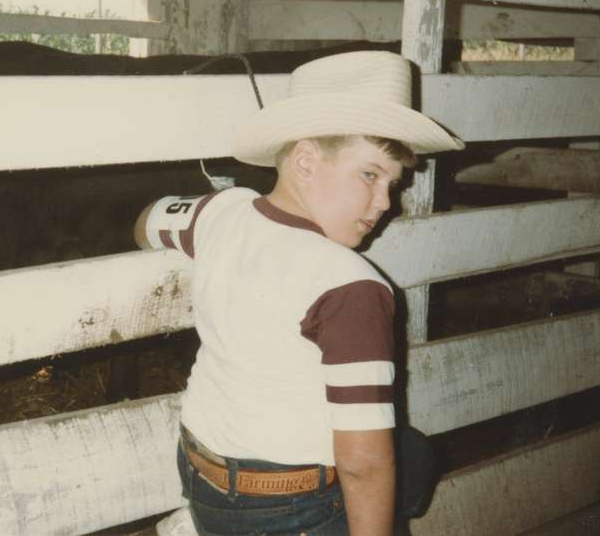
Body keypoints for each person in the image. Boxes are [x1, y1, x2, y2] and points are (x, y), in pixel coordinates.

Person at [134, 51, 464, 536]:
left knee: (412, 453)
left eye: (393, 185)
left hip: (202, 475)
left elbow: (149, 220)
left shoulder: (224, 211)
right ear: (306, 160)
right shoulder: (351, 284)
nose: (384, 204)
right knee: (402, 467)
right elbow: (363, 465)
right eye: (370, 175)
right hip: (288, 508)